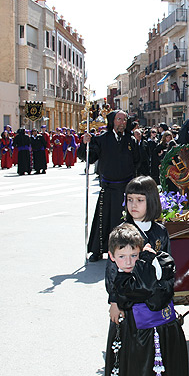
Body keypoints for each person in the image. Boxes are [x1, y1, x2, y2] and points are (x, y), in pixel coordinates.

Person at [104, 223, 188, 376]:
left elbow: (168, 270)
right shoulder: (121, 282)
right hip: (137, 335)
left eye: (134, 255)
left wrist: (151, 261)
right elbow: (148, 289)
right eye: (122, 256)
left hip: (163, 330)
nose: (128, 262)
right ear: (112, 257)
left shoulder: (144, 266)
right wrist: (147, 262)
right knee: (141, 373)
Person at [105, 175, 171, 324]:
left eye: (140, 200)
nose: (133, 205)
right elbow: (112, 271)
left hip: (154, 302)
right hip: (128, 301)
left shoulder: (160, 231)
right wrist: (114, 302)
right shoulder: (122, 232)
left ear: (152, 200)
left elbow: (168, 267)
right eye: (130, 199)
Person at [79, 110, 140, 262]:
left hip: (126, 188)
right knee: (103, 221)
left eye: (125, 120)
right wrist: (85, 144)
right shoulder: (102, 140)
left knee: (126, 222)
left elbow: (138, 160)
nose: (122, 122)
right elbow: (89, 157)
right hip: (109, 187)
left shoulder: (130, 139)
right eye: (119, 119)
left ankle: (129, 250)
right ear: (113, 121)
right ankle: (98, 250)